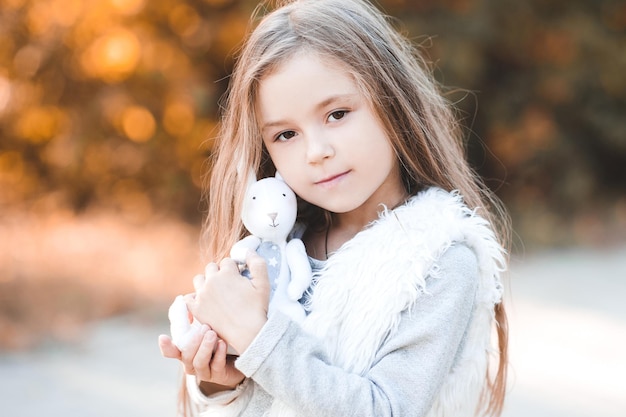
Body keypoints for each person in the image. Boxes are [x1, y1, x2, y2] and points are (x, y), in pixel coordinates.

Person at [158, 0, 511, 416]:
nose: (317, 151)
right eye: (286, 134)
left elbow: (386, 409)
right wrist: (219, 379)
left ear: (392, 103)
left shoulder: (440, 259)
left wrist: (261, 342)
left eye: (337, 114)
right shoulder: (276, 252)